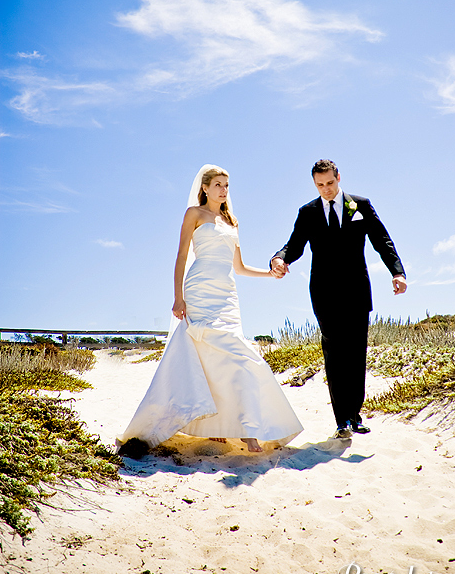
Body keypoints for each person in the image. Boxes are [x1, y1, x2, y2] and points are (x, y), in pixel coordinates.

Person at [118, 164, 302, 456]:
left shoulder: (232, 221)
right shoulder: (194, 214)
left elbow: (238, 267)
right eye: (218, 184)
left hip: (227, 295)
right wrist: (177, 297)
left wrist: (269, 275)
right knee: (208, 357)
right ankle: (236, 429)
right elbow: (180, 257)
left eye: (226, 185)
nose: (223, 190)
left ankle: (238, 426)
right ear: (204, 188)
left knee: (237, 357)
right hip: (199, 290)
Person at [271, 159, 406, 439]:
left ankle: (355, 415)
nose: (326, 190)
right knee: (334, 351)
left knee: (356, 354)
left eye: (330, 183)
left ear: (338, 177)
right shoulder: (307, 212)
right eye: (320, 185)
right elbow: (294, 245)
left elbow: (383, 240)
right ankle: (341, 419)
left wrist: (397, 273)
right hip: (324, 292)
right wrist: (280, 258)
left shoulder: (361, 205)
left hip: (357, 290)